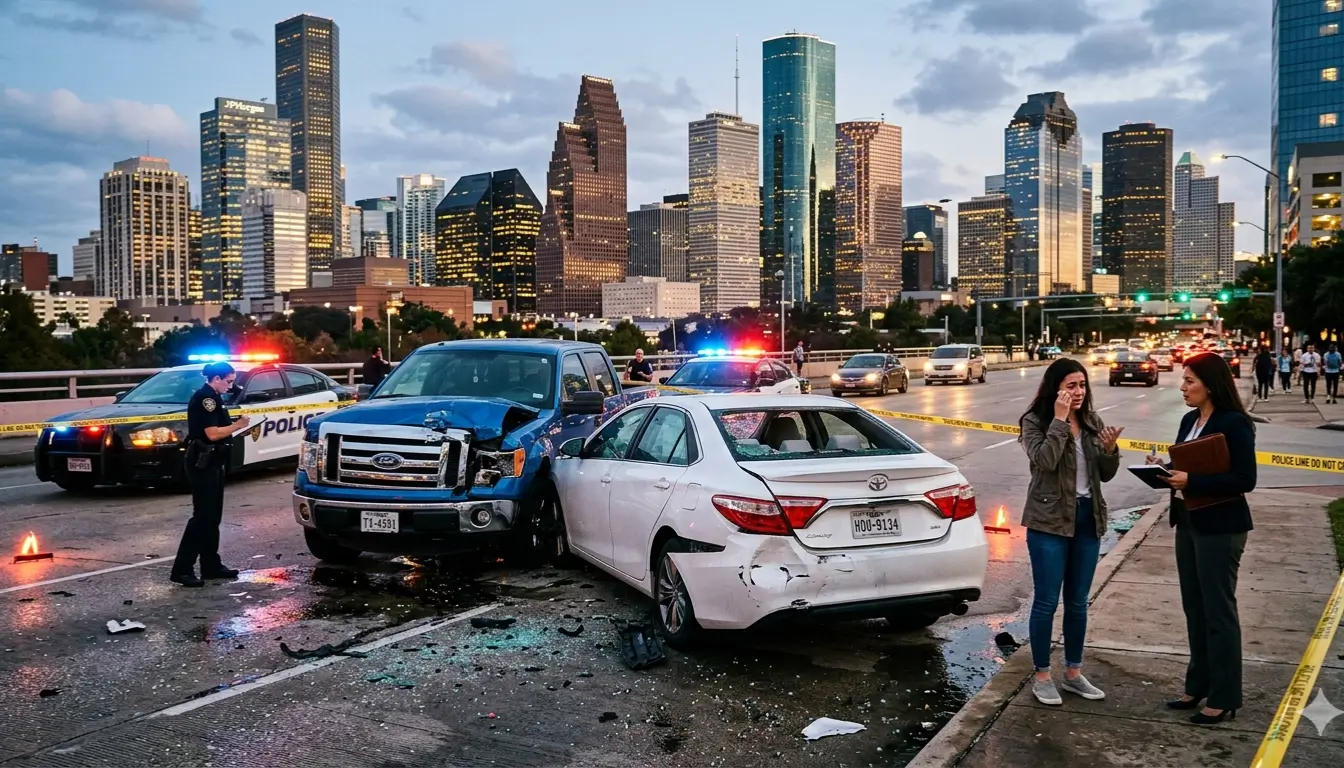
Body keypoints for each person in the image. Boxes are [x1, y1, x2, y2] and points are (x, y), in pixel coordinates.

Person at [1150, 351, 1257, 725]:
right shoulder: (1189, 420)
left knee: (1218, 612)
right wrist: (1164, 470)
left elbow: (1246, 479)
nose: (1183, 388)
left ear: (1211, 385)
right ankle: (1197, 685)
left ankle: (1225, 696)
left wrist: (1192, 481)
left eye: (1190, 381)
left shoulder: (1235, 423)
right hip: (1189, 521)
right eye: (1183, 380)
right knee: (1194, 609)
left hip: (1221, 528)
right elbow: (1186, 465)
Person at [1018, 358, 1124, 706]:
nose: (1077, 392)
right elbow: (1044, 461)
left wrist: (1110, 451)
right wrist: (1060, 421)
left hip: (1086, 518)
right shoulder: (1035, 422)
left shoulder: (1093, 421)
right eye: (1070, 386)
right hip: (1048, 521)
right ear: (1055, 388)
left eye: (1081, 385)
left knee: (1078, 603)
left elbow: (1104, 475)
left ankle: (1074, 673)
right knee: (1047, 601)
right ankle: (1043, 675)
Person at [171, 362, 251, 588]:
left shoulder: (215, 398)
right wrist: (238, 425)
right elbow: (212, 433)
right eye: (228, 381)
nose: (231, 385)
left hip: (214, 461)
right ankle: (182, 570)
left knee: (213, 516)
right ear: (216, 378)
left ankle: (211, 565)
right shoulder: (206, 399)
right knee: (201, 517)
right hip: (202, 462)